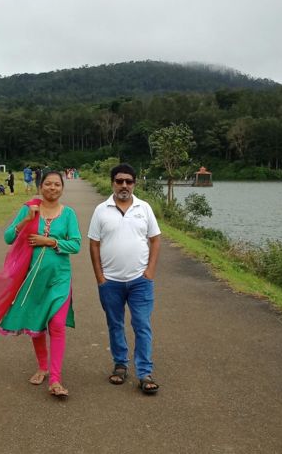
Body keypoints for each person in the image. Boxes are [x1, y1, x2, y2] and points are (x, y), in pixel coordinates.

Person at [0, 171, 81, 399]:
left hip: (59, 278)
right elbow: (9, 237)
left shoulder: (68, 213)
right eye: (48, 184)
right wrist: (27, 220)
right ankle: (42, 367)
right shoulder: (30, 209)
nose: (52, 188)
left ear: (62, 188)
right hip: (32, 280)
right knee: (36, 323)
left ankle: (55, 379)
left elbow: (76, 245)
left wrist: (49, 241)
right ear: (40, 186)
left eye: (57, 184)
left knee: (57, 324)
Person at [88, 163, 161, 395]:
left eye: (129, 181)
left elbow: (155, 239)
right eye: (119, 181)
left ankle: (144, 373)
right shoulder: (101, 210)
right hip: (110, 282)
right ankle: (120, 364)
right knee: (115, 324)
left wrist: (150, 271)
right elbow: (94, 244)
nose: (124, 185)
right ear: (112, 183)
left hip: (140, 281)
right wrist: (100, 277)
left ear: (134, 184)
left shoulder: (144, 208)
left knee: (142, 325)